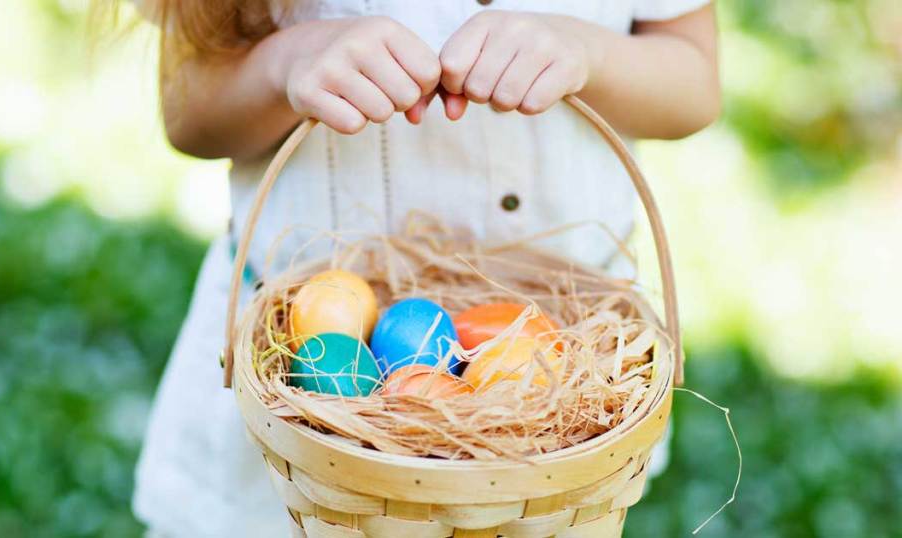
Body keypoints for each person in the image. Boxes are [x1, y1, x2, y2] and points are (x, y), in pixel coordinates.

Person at [114, 0, 719, 535]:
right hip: (293, 424)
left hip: (553, 429)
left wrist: (588, 51)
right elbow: (188, 111)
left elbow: (694, 83)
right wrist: (285, 65)